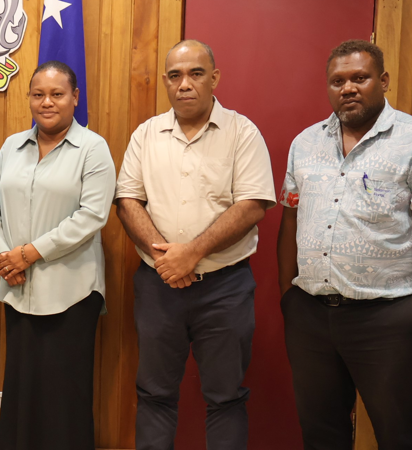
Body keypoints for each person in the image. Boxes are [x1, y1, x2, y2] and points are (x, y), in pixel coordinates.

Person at [277, 39, 412, 450]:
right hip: (310, 315)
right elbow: (290, 217)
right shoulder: (304, 144)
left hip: (388, 319)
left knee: (401, 436)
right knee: (321, 433)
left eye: (360, 78)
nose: (348, 88)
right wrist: (288, 294)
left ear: (383, 80)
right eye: (337, 81)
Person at [115, 40, 276, 450]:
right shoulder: (146, 134)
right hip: (158, 286)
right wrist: (166, 257)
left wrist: (192, 252)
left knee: (225, 397)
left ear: (214, 78)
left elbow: (253, 204)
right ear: (167, 82)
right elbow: (127, 200)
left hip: (225, 287)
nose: (184, 84)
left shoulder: (242, 132)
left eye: (196, 73)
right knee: (154, 393)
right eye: (175, 75)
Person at [0, 60, 116, 450]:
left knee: (64, 398)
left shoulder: (93, 149)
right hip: (17, 290)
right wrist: (6, 257)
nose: (47, 102)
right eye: (38, 94)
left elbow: (92, 216)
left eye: (57, 94)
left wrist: (30, 253)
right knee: (20, 392)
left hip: (71, 294)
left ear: (75, 97)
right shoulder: (11, 147)